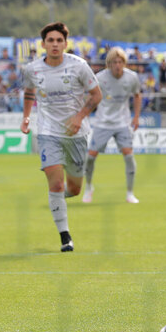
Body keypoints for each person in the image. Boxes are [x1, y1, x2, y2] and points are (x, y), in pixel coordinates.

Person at [20, 22, 101, 252]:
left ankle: (57, 200)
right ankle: (65, 236)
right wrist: (26, 117)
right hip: (47, 132)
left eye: (59, 40)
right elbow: (28, 92)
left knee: (74, 189)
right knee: (55, 183)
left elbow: (96, 95)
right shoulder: (33, 69)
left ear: (65, 44)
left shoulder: (79, 66)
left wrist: (79, 116)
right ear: (44, 44)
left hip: (76, 134)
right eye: (50, 40)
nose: (55, 44)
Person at [83, 47, 142, 204]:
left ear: (124, 63)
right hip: (103, 122)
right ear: (109, 64)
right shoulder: (100, 78)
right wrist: (83, 116)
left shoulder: (132, 77)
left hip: (122, 122)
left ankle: (130, 193)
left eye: (120, 61)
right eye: (114, 62)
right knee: (90, 158)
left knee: (129, 156)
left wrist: (136, 117)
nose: (117, 65)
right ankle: (88, 187)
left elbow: (137, 96)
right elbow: (92, 98)